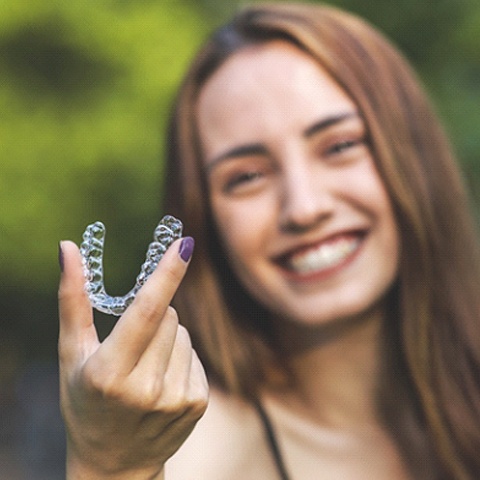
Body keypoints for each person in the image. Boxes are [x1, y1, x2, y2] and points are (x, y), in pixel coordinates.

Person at [57, 3, 480, 479]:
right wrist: (110, 468)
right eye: (247, 176)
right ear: (206, 219)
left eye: (339, 146)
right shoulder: (190, 459)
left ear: (415, 155)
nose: (304, 207)